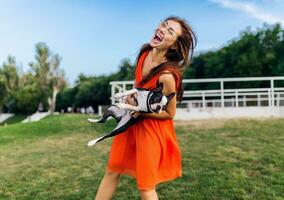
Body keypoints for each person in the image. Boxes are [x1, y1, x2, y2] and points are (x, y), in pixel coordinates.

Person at [95, 16, 196, 200]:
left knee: (146, 187)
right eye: (164, 25)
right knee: (112, 170)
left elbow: (170, 113)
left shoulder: (167, 77)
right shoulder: (144, 52)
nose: (163, 29)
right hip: (131, 123)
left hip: (152, 130)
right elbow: (138, 84)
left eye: (170, 31)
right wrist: (132, 97)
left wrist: (142, 111)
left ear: (174, 45)